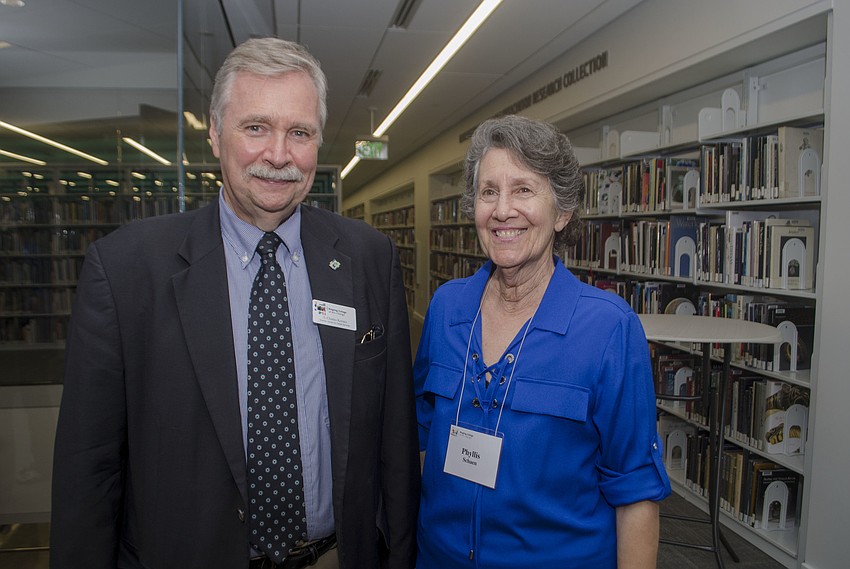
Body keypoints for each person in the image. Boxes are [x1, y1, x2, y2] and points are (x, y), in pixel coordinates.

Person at [50, 37, 420, 569]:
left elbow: (395, 445)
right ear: (216, 133)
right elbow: (89, 469)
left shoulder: (368, 256)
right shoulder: (127, 268)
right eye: (256, 127)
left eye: (299, 132)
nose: (278, 154)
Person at [414, 115, 671, 569]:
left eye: (524, 190)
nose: (501, 210)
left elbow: (635, 493)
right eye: (488, 191)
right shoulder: (446, 309)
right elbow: (420, 436)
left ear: (563, 212)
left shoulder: (608, 329)